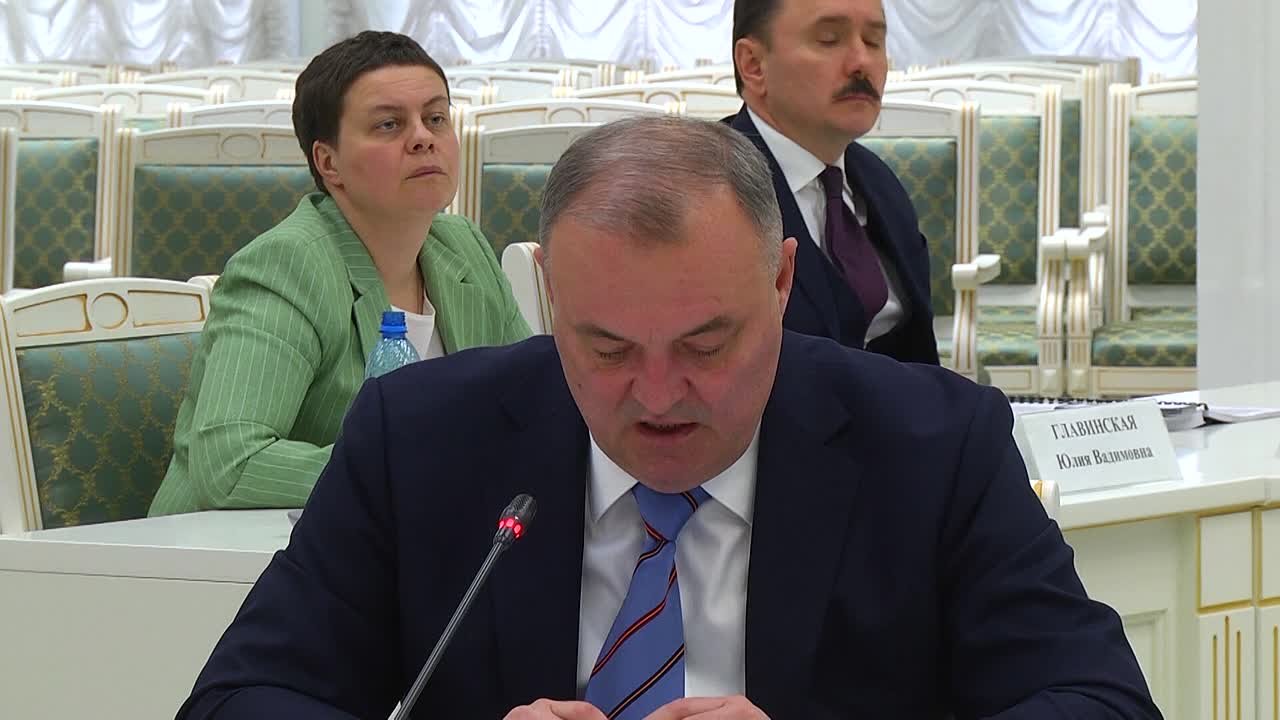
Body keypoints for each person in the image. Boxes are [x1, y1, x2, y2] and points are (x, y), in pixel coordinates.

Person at [175, 117, 1158, 719]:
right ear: (549, 294)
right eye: (606, 349)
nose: (656, 395)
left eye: (705, 345)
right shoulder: (422, 440)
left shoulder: (933, 445)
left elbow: (1099, 703)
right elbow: (239, 700)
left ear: (781, 283)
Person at [149, 31, 531, 516]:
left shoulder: (464, 249)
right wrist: (418, 469)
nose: (423, 138)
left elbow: (531, 403)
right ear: (328, 163)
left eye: (436, 118)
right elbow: (231, 466)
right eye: (389, 124)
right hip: (231, 550)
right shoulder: (287, 266)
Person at [726, 0, 940, 363]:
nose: (861, 62)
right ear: (753, 64)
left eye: (874, 41)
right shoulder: (707, 194)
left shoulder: (879, 181)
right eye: (829, 39)